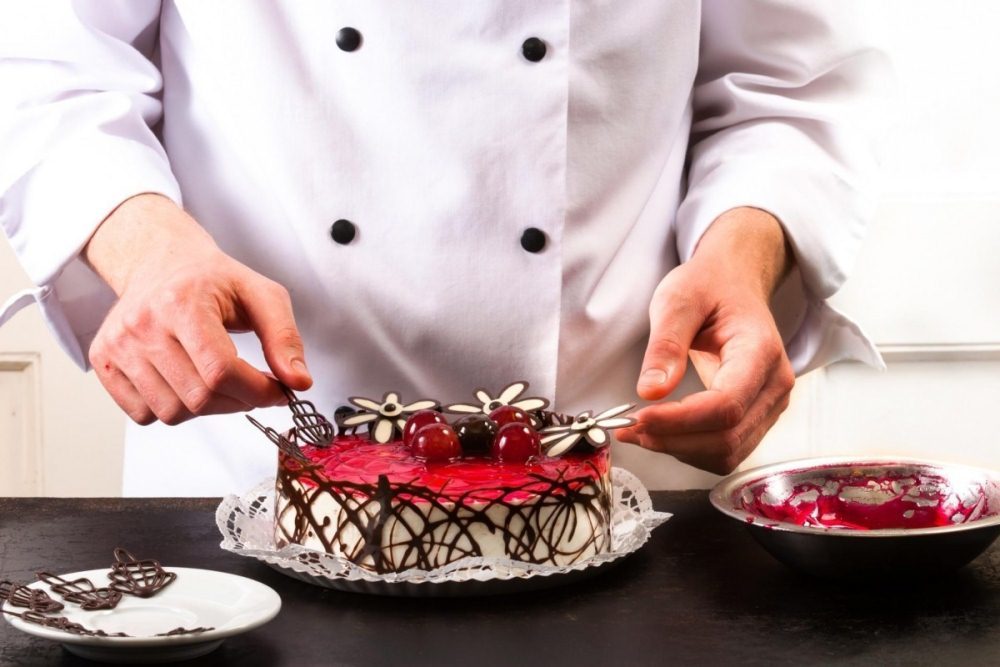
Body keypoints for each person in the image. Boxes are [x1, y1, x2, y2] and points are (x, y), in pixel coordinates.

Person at [0, 2, 885, 495]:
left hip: (613, 468)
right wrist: (150, 253)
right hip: (255, 466)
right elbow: (51, 62)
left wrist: (740, 257)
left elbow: (785, 85)